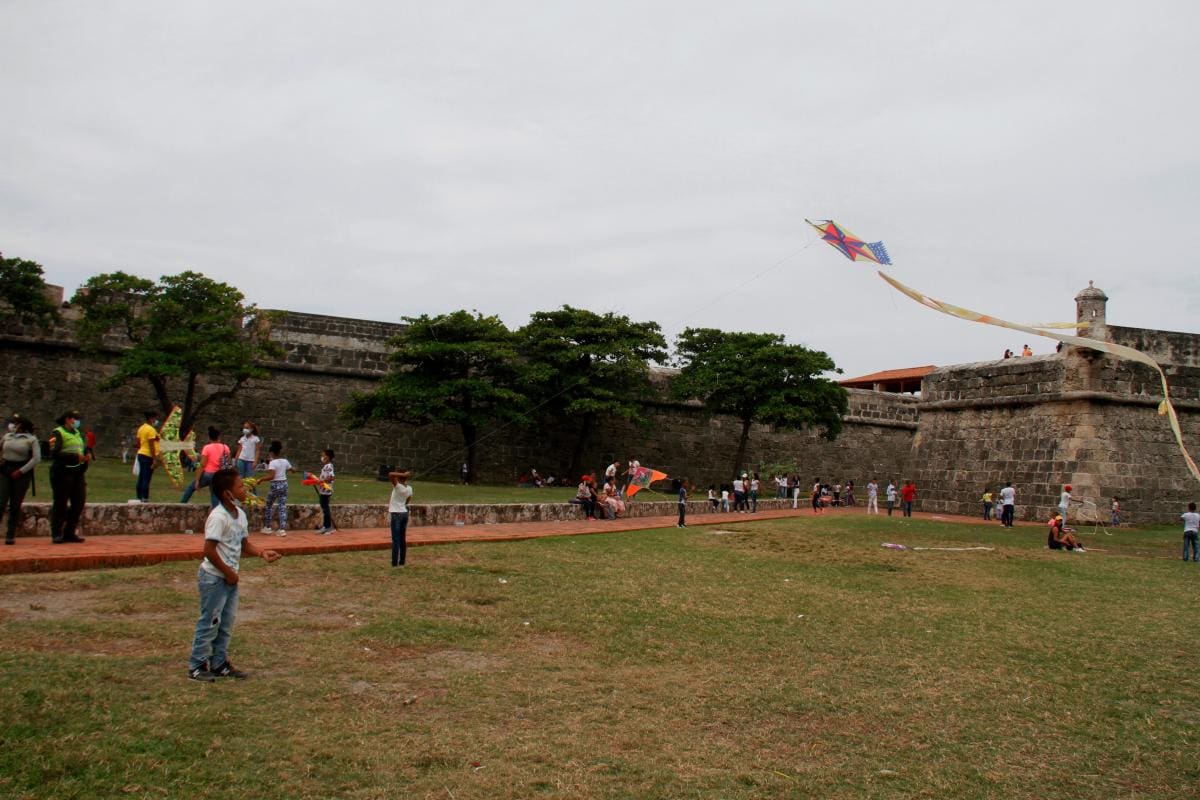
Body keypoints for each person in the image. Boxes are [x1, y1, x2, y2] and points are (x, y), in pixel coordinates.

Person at [186, 468, 281, 682]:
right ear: (227, 494)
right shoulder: (218, 517)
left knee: (226, 623)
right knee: (210, 622)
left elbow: (244, 543)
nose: (244, 490)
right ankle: (197, 665)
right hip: (214, 578)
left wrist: (262, 553)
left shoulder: (240, 516)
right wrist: (228, 573)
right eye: (240, 487)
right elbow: (209, 551)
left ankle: (219, 663)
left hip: (230, 578)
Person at [48, 410, 89, 543]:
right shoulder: (58, 432)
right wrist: (75, 456)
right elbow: (54, 453)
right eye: (74, 419)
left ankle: (69, 532)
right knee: (60, 503)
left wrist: (85, 456)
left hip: (77, 472)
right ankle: (56, 532)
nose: (76, 421)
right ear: (67, 419)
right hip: (62, 472)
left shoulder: (77, 433)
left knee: (79, 502)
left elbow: (80, 449)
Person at [1, 414, 40, 545]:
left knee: (15, 504)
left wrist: (21, 471)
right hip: (5, 470)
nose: (13, 425)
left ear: (21, 425)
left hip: (21, 472)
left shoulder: (31, 439)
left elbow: (36, 458)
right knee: (1, 501)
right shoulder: (7, 436)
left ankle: (10, 534)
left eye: (16, 423)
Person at [181, 427, 230, 506]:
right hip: (218, 475)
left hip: (208, 474)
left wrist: (197, 480)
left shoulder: (207, 448)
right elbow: (228, 462)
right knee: (214, 495)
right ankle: (215, 510)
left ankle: (181, 504)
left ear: (209, 438)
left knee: (190, 488)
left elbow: (202, 464)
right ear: (219, 437)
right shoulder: (225, 448)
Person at [258, 441, 295, 535]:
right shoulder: (285, 461)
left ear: (272, 453)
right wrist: (292, 470)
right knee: (282, 506)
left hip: (275, 485)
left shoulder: (272, 463)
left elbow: (271, 476)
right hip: (284, 484)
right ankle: (282, 529)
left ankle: (267, 527)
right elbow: (292, 469)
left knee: (269, 505)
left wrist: (261, 479)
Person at [388, 470, 413, 567]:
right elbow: (407, 501)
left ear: (399, 477)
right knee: (402, 539)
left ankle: (394, 563)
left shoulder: (397, 486)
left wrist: (403, 474)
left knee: (396, 540)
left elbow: (390, 474)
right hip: (404, 513)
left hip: (396, 514)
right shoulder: (409, 488)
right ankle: (402, 562)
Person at [134, 410, 160, 502]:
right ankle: (145, 497)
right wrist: (155, 459)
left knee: (141, 476)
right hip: (148, 455)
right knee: (146, 477)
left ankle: (139, 495)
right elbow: (151, 445)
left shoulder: (141, 428)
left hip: (141, 453)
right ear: (151, 419)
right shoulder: (151, 430)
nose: (156, 420)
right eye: (155, 418)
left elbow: (138, 443)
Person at [315, 449, 336, 534]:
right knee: (324, 507)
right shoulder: (326, 466)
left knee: (325, 508)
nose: (322, 457)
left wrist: (322, 481)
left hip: (326, 490)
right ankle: (326, 526)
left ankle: (327, 527)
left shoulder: (329, 466)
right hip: (323, 490)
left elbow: (331, 477)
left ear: (328, 457)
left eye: (323, 455)